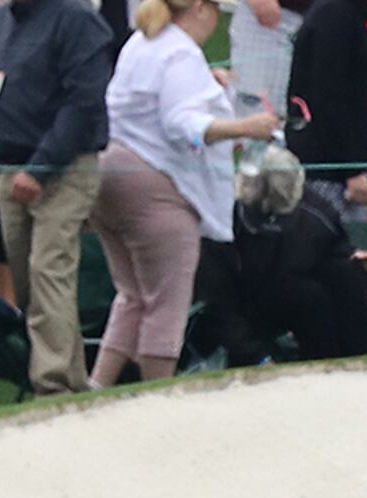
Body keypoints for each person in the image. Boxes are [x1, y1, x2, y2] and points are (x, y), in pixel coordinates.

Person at [97, 0, 281, 385]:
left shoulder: (142, 41)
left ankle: (95, 387)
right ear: (199, 8)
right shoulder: (180, 51)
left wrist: (214, 93)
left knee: (132, 294)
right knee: (168, 301)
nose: (216, 22)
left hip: (109, 173)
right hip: (154, 184)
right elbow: (183, 123)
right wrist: (247, 127)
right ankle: (159, 395)